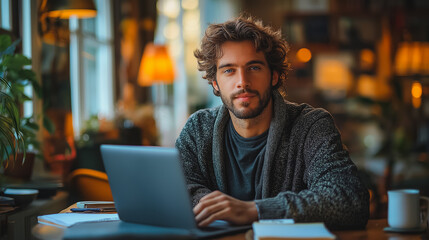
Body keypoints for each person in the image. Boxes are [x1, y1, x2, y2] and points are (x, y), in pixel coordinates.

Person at [175, 15, 369, 229]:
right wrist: (213, 207)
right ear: (215, 84)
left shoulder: (311, 126)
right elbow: (176, 190)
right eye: (229, 70)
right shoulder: (198, 129)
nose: (242, 82)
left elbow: (349, 199)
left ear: (274, 76)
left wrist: (254, 210)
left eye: (254, 68)